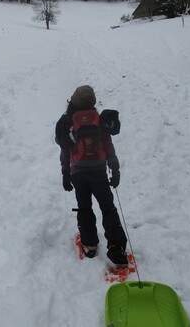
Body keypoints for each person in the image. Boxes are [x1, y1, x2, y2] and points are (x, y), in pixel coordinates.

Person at [56, 85, 128, 265]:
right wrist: (114, 167)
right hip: (98, 171)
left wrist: (65, 172)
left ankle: (89, 245)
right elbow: (108, 145)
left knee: (85, 207)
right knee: (107, 206)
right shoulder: (99, 120)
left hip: (78, 172)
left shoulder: (68, 122)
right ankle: (116, 246)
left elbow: (65, 151)